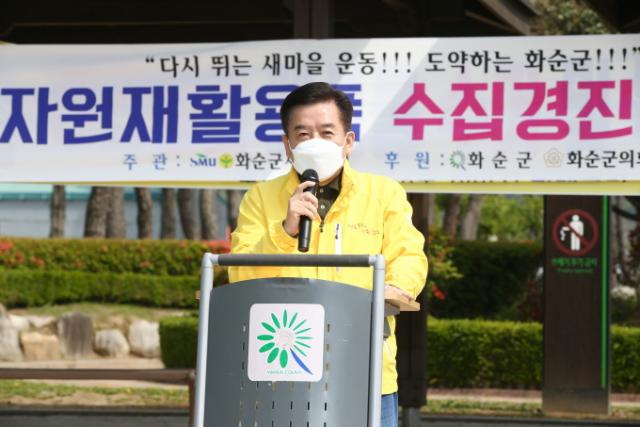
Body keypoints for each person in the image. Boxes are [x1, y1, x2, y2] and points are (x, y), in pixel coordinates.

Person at [229, 82, 428, 427]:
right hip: (282, 372)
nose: (315, 142)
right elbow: (239, 272)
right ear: (287, 145)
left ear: (348, 142)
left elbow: (409, 256)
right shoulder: (260, 198)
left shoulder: (384, 194)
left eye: (326, 132)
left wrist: (396, 287)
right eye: (303, 134)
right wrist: (284, 231)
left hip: (364, 368)